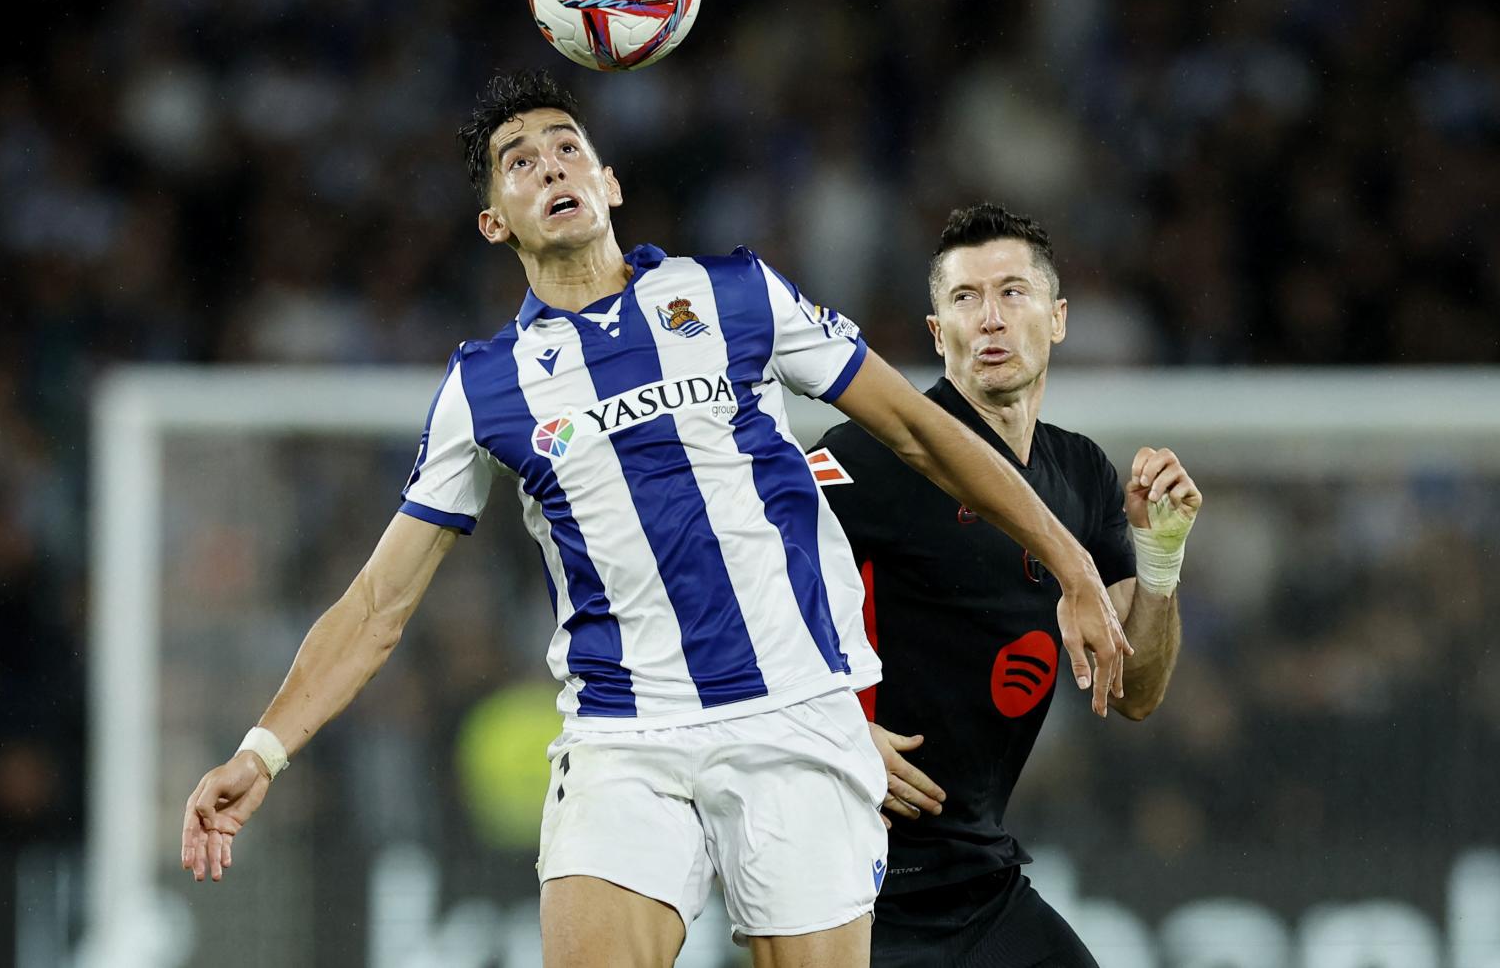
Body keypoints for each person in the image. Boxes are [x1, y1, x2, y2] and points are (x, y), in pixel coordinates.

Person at [178, 73, 1131, 968]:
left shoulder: (734, 295)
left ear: (609, 181)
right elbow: (378, 604)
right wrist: (263, 750)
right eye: (520, 162)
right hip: (626, 733)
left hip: (796, 717)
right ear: (493, 222)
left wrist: (1076, 567)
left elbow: (922, 431)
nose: (549, 165)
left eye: (566, 148)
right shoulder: (485, 387)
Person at [809, 204, 1201, 967]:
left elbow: (1137, 692)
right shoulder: (874, 456)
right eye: (964, 298)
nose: (990, 317)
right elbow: (737, 592)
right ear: (936, 332)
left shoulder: (1080, 474)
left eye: (1012, 293)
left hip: (979, 882)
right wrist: (832, 727)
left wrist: (1159, 561)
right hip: (849, 887)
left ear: (1057, 319)